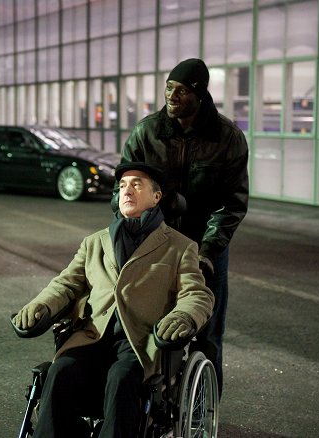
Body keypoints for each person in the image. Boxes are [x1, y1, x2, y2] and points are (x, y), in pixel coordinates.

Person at [13, 162, 214, 438]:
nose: (127, 191)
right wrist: (41, 305)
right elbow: (66, 284)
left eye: (136, 184)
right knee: (60, 371)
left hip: (140, 343)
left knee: (122, 379)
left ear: (156, 197)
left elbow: (197, 294)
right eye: (122, 186)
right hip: (92, 337)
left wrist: (183, 316)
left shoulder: (179, 247)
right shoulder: (95, 242)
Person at [111, 58, 249, 398]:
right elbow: (123, 193)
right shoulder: (147, 132)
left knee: (207, 335)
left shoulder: (227, 138)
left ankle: (204, 408)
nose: (172, 96)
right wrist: (131, 237)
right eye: (169, 88)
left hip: (205, 246)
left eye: (182, 91)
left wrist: (208, 251)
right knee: (144, 324)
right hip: (155, 245)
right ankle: (146, 401)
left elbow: (232, 203)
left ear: (199, 96)